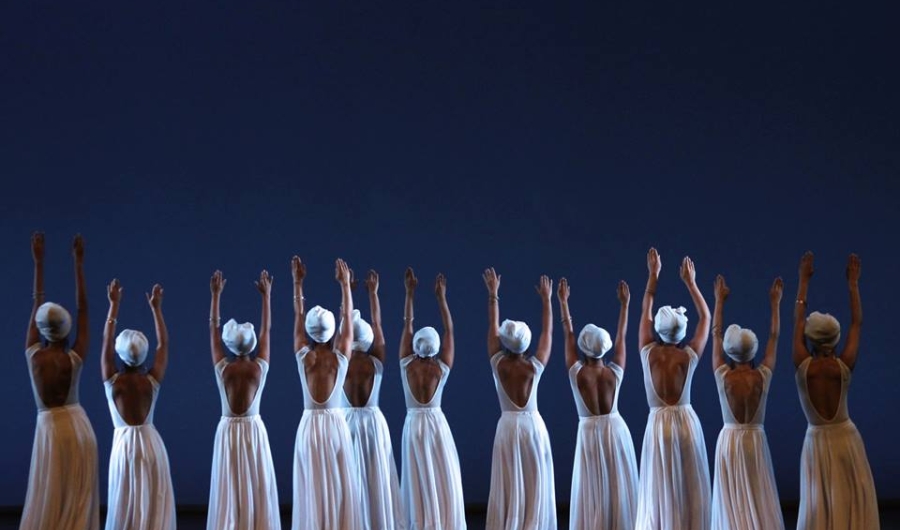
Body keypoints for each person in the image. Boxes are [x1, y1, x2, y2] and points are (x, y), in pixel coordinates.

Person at [793, 252, 879, 529]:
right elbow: (857, 323)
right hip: (846, 438)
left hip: (817, 441)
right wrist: (853, 284)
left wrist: (803, 281)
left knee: (821, 503)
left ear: (810, 338)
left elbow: (797, 321)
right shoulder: (844, 365)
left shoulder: (803, 365)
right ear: (835, 338)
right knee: (848, 499)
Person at [20, 233, 99, 530]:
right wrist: (78, 264)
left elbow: (36, 306)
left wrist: (38, 263)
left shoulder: (33, 355)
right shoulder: (74, 357)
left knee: (51, 493)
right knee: (76, 496)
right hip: (78, 426)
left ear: (42, 330)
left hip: (51, 429)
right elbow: (84, 310)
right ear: (65, 332)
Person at [634, 248, 711, 530]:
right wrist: (691, 283)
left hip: (658, 423)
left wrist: (653, 275)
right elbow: (706, 319)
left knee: (660, 488)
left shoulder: (647, 352)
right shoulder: (688, 356)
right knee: (688, 487)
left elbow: (645, 310)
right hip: (685, 423)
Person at [557, 277, 638, 530]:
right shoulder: (615, 373)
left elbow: (568, 334)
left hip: (590, 432)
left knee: (594, 487)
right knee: (618, 486)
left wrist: (563, 302)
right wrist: (625, 306)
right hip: (616, 429)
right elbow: (622, 336)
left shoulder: (577, 373)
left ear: (583, 349)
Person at [207, 270, 281, 530]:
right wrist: (267, 297)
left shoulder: (223, 369)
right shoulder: (259, 368)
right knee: (255, 483)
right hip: (253, 430)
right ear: (251, 345)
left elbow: (213, 330)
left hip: (228, 431)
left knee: (230, 485)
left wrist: (215, 296)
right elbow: (266, 330)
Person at [709, 275, 785, 530]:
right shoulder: (762, 375)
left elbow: (716, 336)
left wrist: (719, 301)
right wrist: (775, 303)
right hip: (754, 441)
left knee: (733, 504)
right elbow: (774, 337)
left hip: (730, 442)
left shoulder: (723, 375)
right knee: (757, 495)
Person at [483, 269, 556, 530]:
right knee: (534, 481)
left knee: (510, 481)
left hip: (507, 427)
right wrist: (547, 300)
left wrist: (493, 294)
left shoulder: (498, 363)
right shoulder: (534, 366)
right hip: (532, 427)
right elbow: (547, 334)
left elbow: (492, 329)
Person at [291, 257, 360, 530]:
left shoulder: (303, 356)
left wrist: (297, 282)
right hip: (334, 425)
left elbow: (297, 317)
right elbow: (349, 324)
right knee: (338, 485)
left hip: (309, 425)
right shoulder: (341, 355)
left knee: (312, 485)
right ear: (333, 333)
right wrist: (345, 286)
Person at [102, 280, 176, 530]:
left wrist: (114, 306)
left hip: (124, 447)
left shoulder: (112, 381)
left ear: (120, 354)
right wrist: (157, 309)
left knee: (125, 503)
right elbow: (163, 345)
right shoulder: (151, 380)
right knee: (152, 503)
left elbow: (105, 342)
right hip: (150, 444)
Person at [398, 268, 466, 530]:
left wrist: (409, 292)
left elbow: (407, 324)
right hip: (437, 424)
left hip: (414, 425)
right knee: (440, 475)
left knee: (418, 478)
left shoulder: (406, 365)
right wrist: (441, 298)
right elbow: (449, 330)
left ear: (415, 345)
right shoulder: (442, 368)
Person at [342, 270, 405, 530]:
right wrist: (373, 294)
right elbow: (378, 325)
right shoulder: (375, 360)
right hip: (373, 422)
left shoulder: (340, 362)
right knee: (374, 476)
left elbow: (343, 329)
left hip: (346, 423)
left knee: (351, 477)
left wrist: (346, 291)